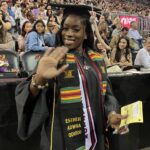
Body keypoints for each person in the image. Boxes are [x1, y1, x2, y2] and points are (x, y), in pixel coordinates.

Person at [15, 4, 128, 150]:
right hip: (62, 139)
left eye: (76, 29)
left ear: (86, 33)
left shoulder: (97, 61)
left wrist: (112, 114)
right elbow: (32, 98)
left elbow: (106, 96)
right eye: (65, 28)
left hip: (95, 138)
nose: (69, 33)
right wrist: (39, 78)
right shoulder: (54, 59)